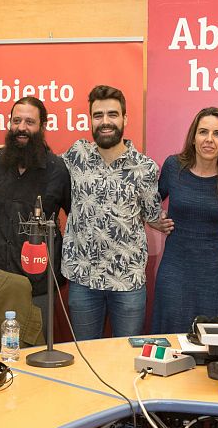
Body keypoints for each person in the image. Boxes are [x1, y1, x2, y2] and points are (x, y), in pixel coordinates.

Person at [60, 85, 161, 340]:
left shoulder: (145, 168)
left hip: (127, 281)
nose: (105, 122)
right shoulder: (76, 155)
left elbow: (152, 214)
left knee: (126, 361)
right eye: (98, 115)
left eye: (113, 114)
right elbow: (40, 164)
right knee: (87, 360)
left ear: (125, 119)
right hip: (83, 279)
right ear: (90, 120)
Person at [150, 107, 218, 333]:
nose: (209, 140)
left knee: (211, 340)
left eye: (217, 134)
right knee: (171, 340)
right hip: (174, 270)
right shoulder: (174, 167)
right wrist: (154, 221)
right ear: (193, 138)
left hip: (212, 273)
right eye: (203, 132)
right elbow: (147, 202)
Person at [0, 96, 71, 322]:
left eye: (29, 122)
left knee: (37, 349)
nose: (21, 128)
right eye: (16, 120)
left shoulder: (57, 169)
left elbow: (76, 219)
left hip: (38, 282)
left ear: (43, 126)